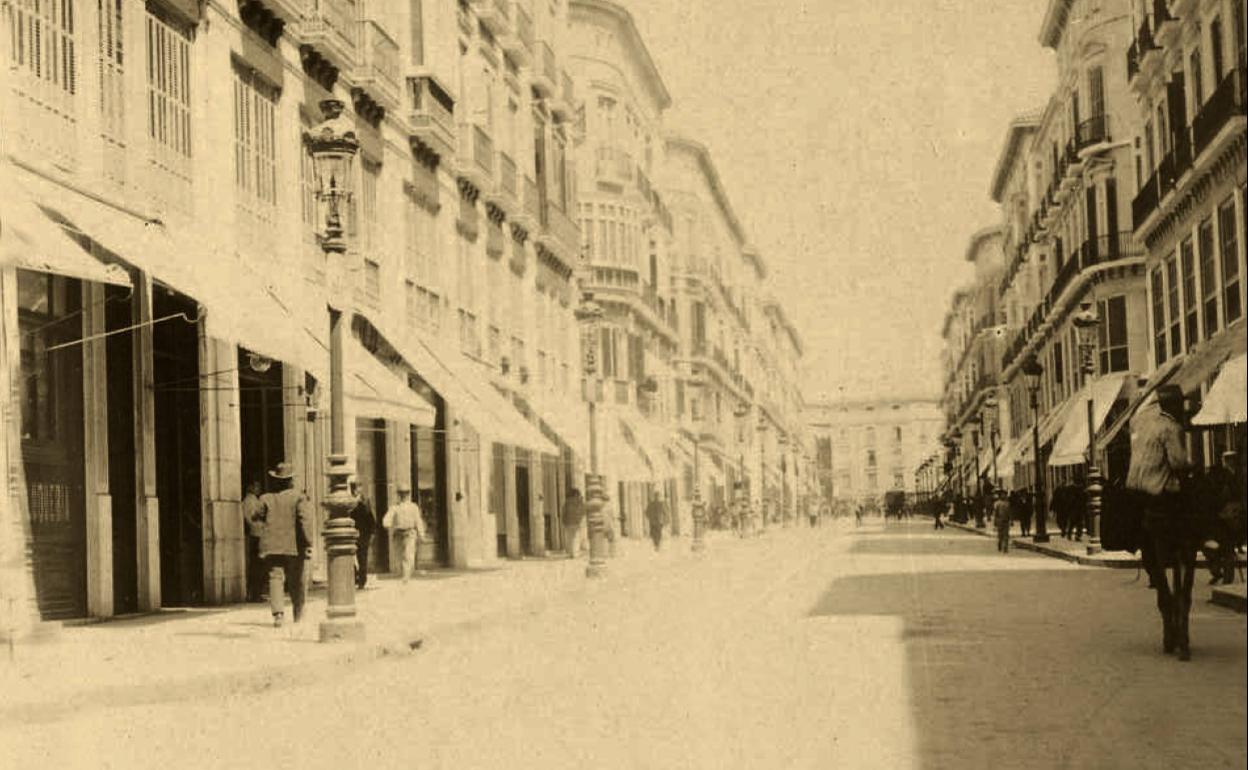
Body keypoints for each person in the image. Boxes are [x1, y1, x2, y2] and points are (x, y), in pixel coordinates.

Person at [1126, 384, 1195, 660]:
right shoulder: (1170, 427)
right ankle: (1212, 542)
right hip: (1165, 497)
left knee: (1145, 538)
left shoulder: (1142, 424)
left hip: (1142, 498)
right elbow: (1177, 462)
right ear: (1174, 406)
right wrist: (1190, 467)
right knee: (1199, 510)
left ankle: (1152, 568)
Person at [251, 462, 313, 628]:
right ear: (290, 480)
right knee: (296, 580)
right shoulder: (298, 497)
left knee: (275, 578)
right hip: (293, 546)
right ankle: (298, 613)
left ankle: (278, 615)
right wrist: (308, 542)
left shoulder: (265, 498)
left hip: (272, 545)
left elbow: (255, 516)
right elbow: (304, 521)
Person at [382, 484, 426, 583]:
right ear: (399, 495)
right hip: (398, 533)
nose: (403, 495)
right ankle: (403, 573)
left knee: (408, 555)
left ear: (408, 494)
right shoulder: (395, 507)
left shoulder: (413, 507)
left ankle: (406, 576)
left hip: (410, 533)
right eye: (401, 493)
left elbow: (418, 521)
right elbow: (388, 517)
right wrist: (386, 523)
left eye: (405, 493)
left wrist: (421, 534)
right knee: (399, 555)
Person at [241, 479, 266, 603]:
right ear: (250, 487)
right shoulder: (249, 501)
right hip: (256, 534)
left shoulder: (254, 500)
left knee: (257, 565)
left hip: (258, 534)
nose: (258, 488)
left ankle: (256, 593)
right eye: (256, 486)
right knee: (257, 565)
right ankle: (255, 594)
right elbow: (251, 518)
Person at [348, 481, 376, 589]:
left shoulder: (365, 501)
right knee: (350, 558)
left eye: (357, 488)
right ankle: (355, 577)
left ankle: (362, 581)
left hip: (363, 535)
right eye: (353, 488)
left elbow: (371, 519)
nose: (355, 491)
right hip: (351, 534)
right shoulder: (349, 502)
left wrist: (372, 533)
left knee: (362, 558)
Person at [562, 487, 585, 559]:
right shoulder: (579, 501)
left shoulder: (567, 502)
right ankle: (575, 553)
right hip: (576, 522)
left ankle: (570, 553)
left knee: (569, 538)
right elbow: (583, 511)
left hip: (568, 522)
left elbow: (563, 512)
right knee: (576, 537)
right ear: (576, 494)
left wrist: (564, 521)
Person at [993, 489, 1011, 553]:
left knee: (1006, 535)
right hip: (1000, 520)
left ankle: (1005, 547)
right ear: (1000, 496)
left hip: (1006, 521)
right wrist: (995, 522)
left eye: (1005, 495)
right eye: (1002, 495)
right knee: (1000, 535)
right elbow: (995, 513)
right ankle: (1000, 543)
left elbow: (1009, 512)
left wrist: (1011, 520)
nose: (1004, 496)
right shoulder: (997, 503)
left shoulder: (1008, 503)